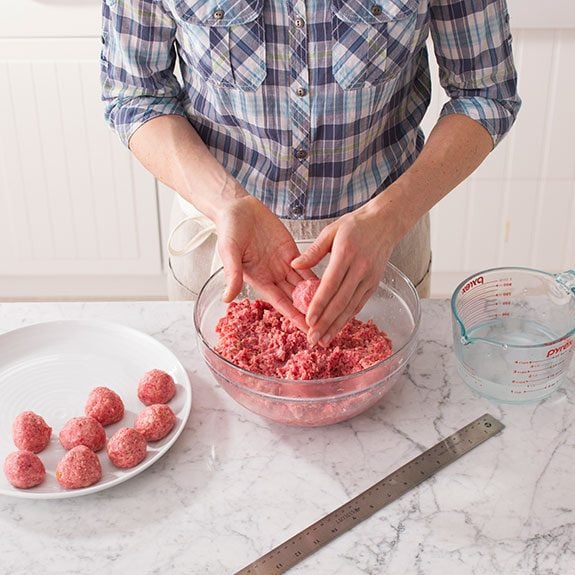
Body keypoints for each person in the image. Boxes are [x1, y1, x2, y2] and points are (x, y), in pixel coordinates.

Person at [101, 0, 520, 347]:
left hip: (383, 239)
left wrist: (390, 217)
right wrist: (226, 201)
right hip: (220, 237)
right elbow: (136, 95)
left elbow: (484, 94)